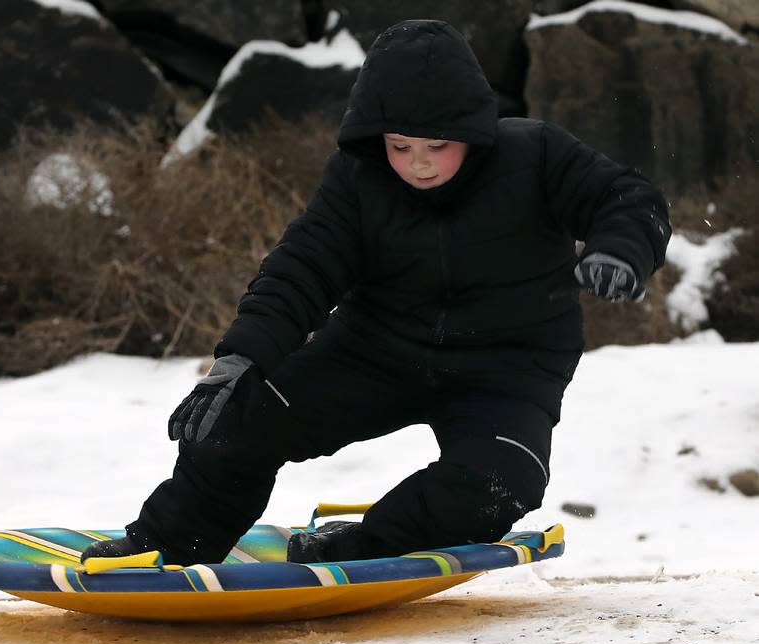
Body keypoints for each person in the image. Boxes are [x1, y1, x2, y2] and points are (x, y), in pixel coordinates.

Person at [81, 19, 671, 566]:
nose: (417, 165)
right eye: (400, 145)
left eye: (437, 146)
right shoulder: (358, 177)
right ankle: (166, 545)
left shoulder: (536, 154)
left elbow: (627, 199)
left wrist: (621, 250)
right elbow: (303, 265)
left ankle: (365, 546)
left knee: (503, 482)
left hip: (508, 368)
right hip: (376, 351)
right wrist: (243, 356)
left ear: (471, 131)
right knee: (234, 421)